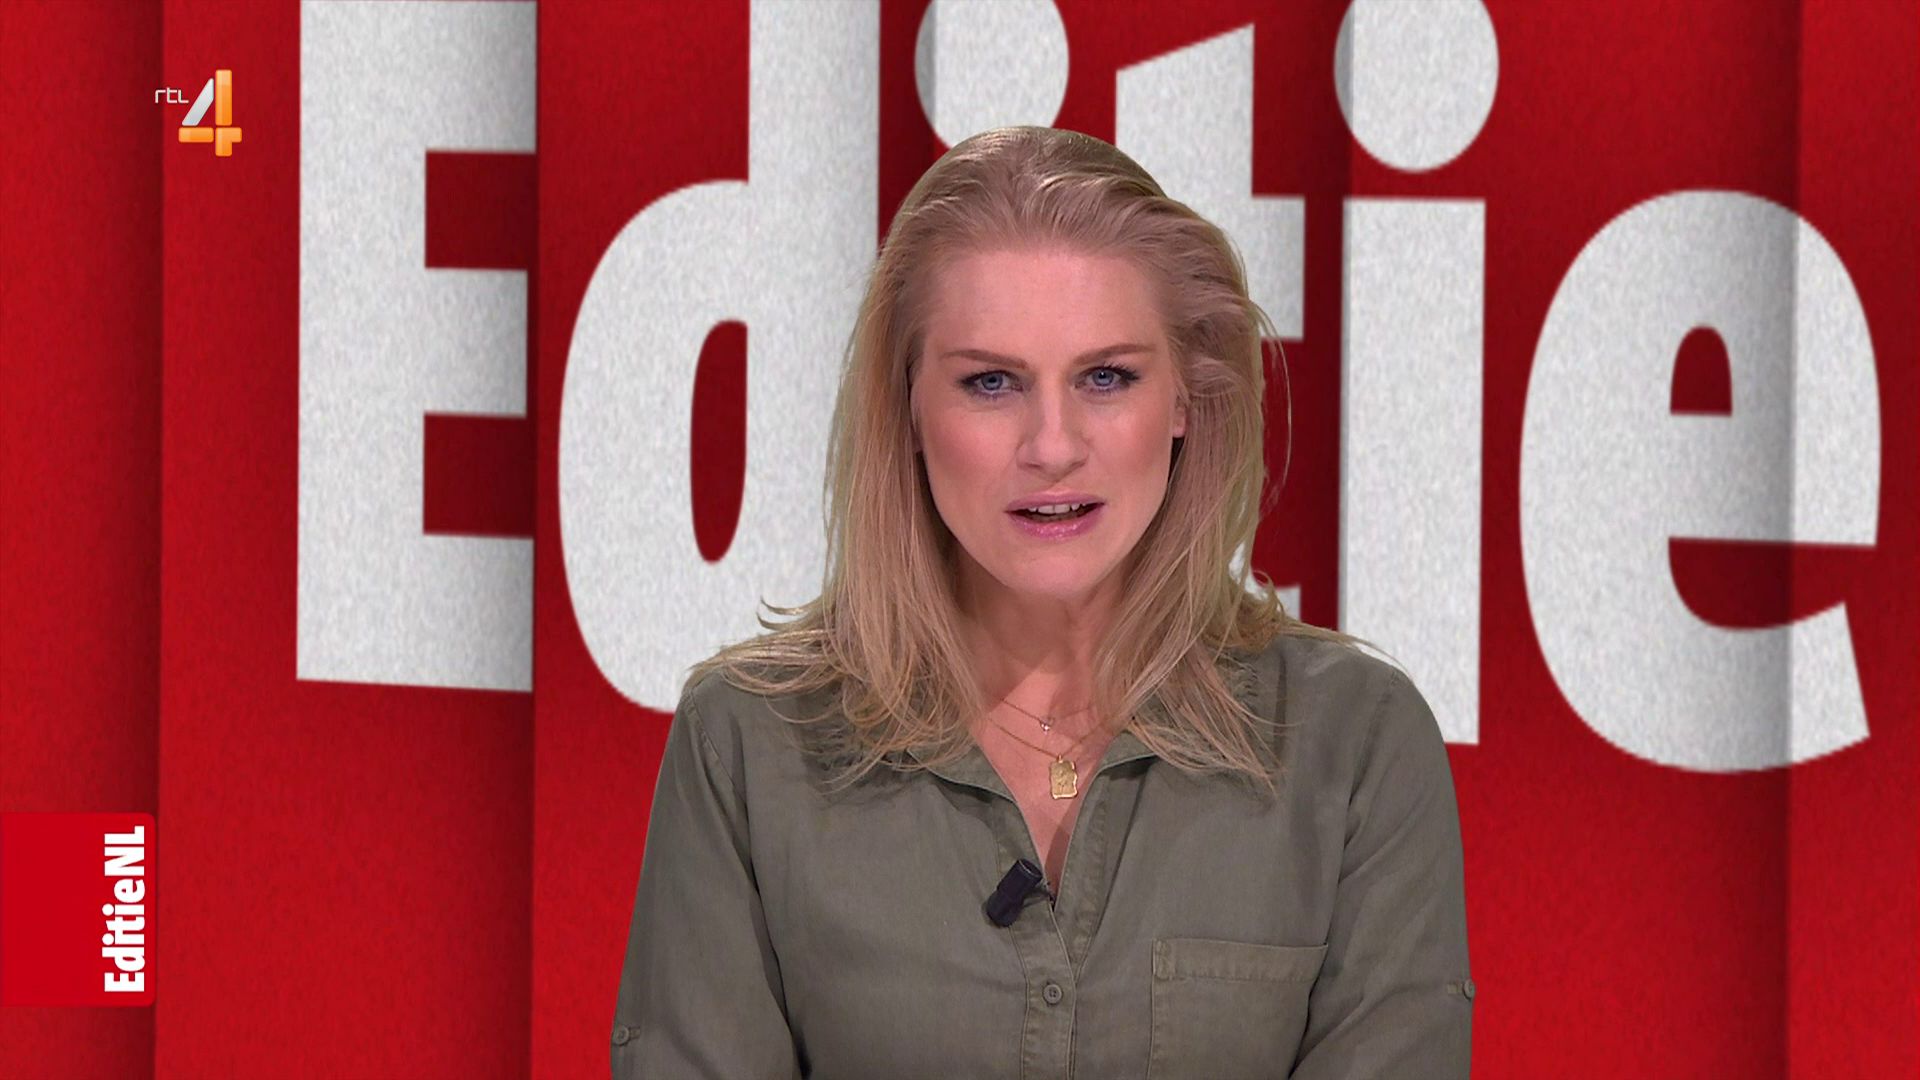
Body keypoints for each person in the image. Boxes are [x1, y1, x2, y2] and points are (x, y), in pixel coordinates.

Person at [611, 125, 1472, 1079]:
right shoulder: (747, 744)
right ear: (908, 408)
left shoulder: (1353, 744)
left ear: (1185, 400)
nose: (1053, 446)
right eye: (991, 382)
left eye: (1106, 378)